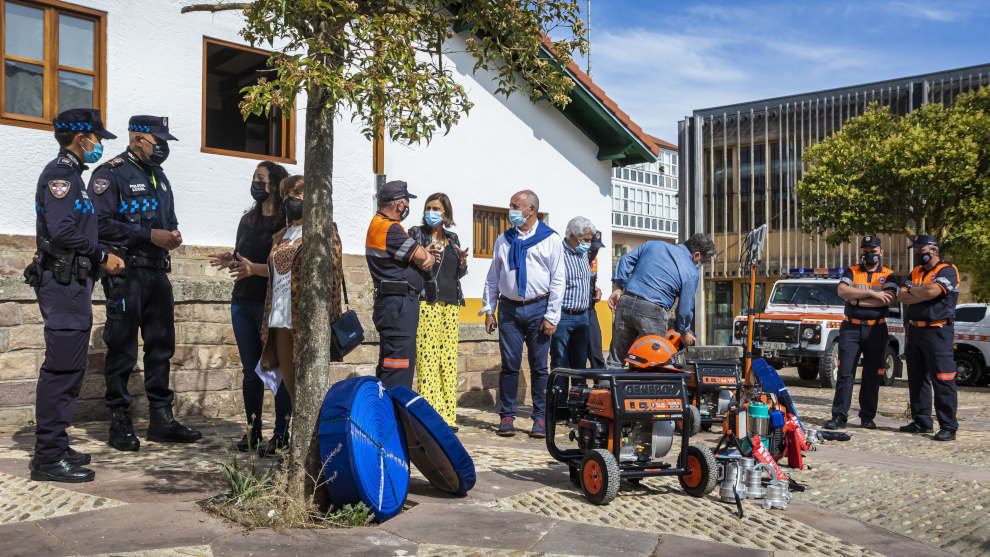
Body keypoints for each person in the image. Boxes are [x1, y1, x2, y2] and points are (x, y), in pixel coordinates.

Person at [89, 115, 200, 451]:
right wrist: (147, 234)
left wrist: (173, 236)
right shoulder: (111, 174)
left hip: (156, 273)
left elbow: (167, 221)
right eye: (157, 139)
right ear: (137, 137)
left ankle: (161, 419)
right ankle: (119, 421)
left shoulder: (160, 176)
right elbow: (99, 224)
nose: (162, 146)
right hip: (126, 273)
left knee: (161, 347)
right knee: (122, 348)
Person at [27, 109, 124, 482]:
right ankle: (48, 456)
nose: (99, 144)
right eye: (96, 138)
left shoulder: (73, 177)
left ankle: (57, 443)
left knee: (71, 367)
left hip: (74, 284)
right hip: (63, 283)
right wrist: (102, 255)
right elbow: (62, 231)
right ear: (80, 138)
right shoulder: (60, 175)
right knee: (62, 368)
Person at [233, 175, 344, 401]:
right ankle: (292, 435)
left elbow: (332, 278)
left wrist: (328, 317)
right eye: (285, 196)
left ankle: (313, 436)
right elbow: (279, 271)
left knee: (309, 387)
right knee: (291, 387)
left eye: (295, 195)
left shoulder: (324, 231)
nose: (288, 201)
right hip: (279, 320)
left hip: (305, 321)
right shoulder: (281, 235)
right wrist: (253, 268)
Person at [209, 162, 293, 456]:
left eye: (261, 178)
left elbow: (288, 267)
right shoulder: (247, 220)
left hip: (273, 305)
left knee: (278, 370)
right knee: (250, 371)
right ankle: (253, 431)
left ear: (275, 184)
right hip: (243, 302)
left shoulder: (286, 225)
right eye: (254, 178)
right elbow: (244, 255)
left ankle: (281, 433)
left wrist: (254, 269)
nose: (256, 183)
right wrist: (231, 259)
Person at [481, 190, 564, 438]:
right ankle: (507, 415)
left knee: (539, 367)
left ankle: (539, 418)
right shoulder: (503, 240)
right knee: (510, 365)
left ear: (531, 210)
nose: (511, 211)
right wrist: (489, 309)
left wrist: (552, 315)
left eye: (516, 206)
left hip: (539, 307)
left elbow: (558, 280)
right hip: (509, 309)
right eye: (510, 206)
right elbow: (493, 277)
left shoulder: (550, 239)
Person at [607, 234, 716, 367]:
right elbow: (684, 309)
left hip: (626, 301)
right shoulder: (690, 272)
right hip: (652, 312)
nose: (701, 265)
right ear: (697, 255)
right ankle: (642, 387)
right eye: (704, 261)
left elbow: (624, 260)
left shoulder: (653, 245)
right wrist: (684, 332)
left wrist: (618, 288)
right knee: (650, 362)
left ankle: (608, 386)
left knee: (616, 360)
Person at [366, 180, 436, 389]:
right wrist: (427, 256)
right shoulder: (390, 229)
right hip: (398, 304)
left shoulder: (381, 225)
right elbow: (424, 259)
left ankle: (386, 411)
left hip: (394, 304)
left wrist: (421, 254)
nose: (406, 207)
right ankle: (392, 415)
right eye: (406, 202)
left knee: (393, 361)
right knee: (398, 365)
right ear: (398, 205)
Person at [408, 193, 469, 428]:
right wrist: (425, 253)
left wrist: (462, 263)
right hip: (427, 302)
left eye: (436, 208)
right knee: (428, 357)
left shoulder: (452, 238)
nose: (430, 211)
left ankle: (448, 415)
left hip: (451, 303)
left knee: (448, 358)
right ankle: (432, 414)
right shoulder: (416, 233)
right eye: (428, 207)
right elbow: (410, 262)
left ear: (446, 214)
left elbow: (456, 274)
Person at [825, 235, 898, 430]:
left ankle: (867, 417)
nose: (869, 254)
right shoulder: (852, 271)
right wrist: (873, 294)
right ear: (861, 252)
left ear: (881, 252)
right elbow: (842, 291)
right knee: (845, 374)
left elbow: (888, 299)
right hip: (851, 328)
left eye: (873, 251)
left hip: (876, 329)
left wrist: (855, 299)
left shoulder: (889, 275)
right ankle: (839, 416)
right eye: (865, 251)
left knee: (872, 375)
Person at [897, 235, 959, 442]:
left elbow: (933, 290)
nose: (916, 253)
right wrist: (919, 292)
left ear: (933, 249)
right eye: (914, 249)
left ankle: (948, 426)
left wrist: (915, 292)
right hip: (915, 331)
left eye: (919, 249)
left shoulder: (947, 270)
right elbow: (901, 295)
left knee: (943, 378)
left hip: (938, 331)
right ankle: (921, 421)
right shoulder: (916, 272)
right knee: (917, 378)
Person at [550, 217, 596, 371]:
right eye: (585, 240)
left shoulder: (583, 254)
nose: (588, 244)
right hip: (563, 316)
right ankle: (559, 395)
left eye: (590, 240)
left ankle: (578, 395)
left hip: (583, 316)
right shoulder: (557, 253)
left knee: (580, 363)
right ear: (571, 236)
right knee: (560, 363)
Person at [586, 230, 606, 368]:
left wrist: (597, 290)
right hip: (572, 311)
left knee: (596, 351)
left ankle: (601, 386)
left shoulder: (593, 260)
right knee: (576, 355)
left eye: (597, 248)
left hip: (590, 309)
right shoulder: (571, 258)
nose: (594, 251)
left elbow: (592, 282)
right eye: (592, 247)